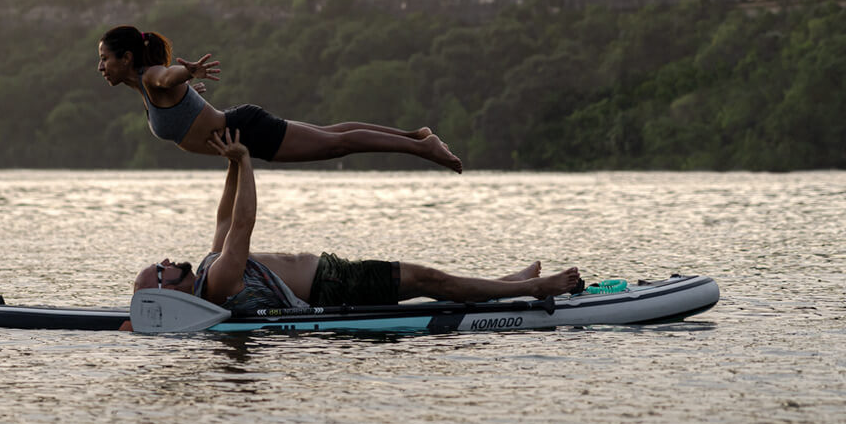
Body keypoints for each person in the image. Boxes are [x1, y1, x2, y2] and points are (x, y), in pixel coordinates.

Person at [131, 129, 581, 314]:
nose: (166, 260)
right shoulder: (217, 284)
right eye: (160, 268)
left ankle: (503, 285)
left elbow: (226, 216)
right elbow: (244, 225)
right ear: (165, 292)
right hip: (334, 288)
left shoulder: (210, 268)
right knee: (427, 278)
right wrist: (247, 161)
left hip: (333, 274)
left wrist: (230, 157)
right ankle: (533, 289)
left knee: (427, 282)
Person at [98, 25, 463, 173]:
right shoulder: (145, 90)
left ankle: (423, 148)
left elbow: (167, 74)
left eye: (104, 58)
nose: (100, 66)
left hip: (248, 132)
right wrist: (189, 90)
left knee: (336, 145)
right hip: (245, 127)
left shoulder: (151, 78)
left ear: (126, 58)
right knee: (333, 134)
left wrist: (188, 73)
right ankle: (415, 135)